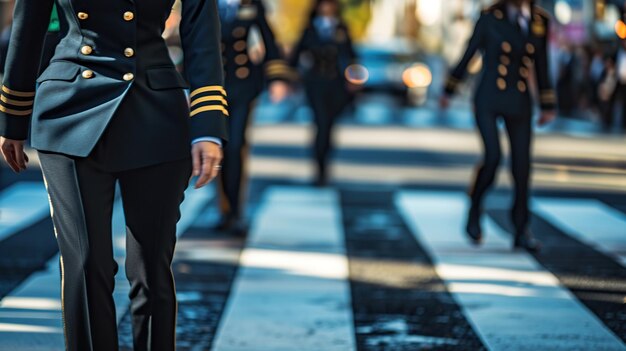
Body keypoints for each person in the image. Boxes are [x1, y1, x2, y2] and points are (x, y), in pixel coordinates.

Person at [0, 1, 228, 350]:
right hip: (69, 110)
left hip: (155, 114)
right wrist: (13, 118)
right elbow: (27, 27)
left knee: (151, 267)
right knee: (86, 262)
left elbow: (202, 35)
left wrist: (207, 127)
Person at [440, 0, 557, 252]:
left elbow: (542, 62)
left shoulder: (540, 21)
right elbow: (469, 51)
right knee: (493, 156)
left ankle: (521, 229)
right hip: (489, 97)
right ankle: (475, 206)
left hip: (520, 98)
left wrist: (547, 103)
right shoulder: (489, 17)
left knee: (522, 166)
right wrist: (449, 88)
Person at [215, 0, 291, 234]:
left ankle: (237, 211)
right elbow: (192, 41)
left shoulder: (252, 4)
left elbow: (268, 39)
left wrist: (276, 78)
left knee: (236, 145)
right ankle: (225, 209)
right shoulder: (206, 4)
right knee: (218, 145)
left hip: (244, 84)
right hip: (212, 84)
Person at [290, 0, 357, 186]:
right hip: (315, 83)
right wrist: (289, 78)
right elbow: (296, 54)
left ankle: (325, 162)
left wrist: (353, 79)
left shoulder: (341, 28)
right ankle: (319, 169)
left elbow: (351, 55)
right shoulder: (311, 28)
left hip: (336, 84)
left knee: (329, 126)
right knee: (321, 123)